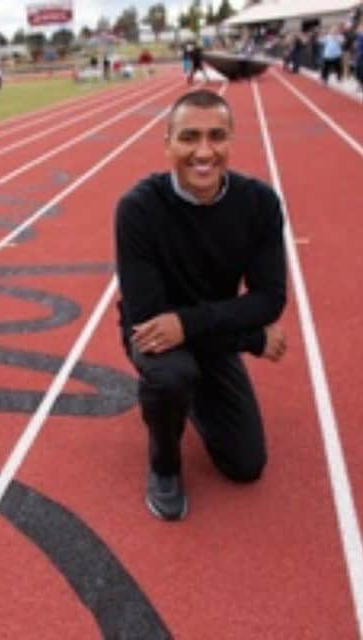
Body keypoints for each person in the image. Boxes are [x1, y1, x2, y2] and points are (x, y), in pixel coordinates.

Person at [114, 89, 287, 521]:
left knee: (246, 466)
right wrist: (250, 337)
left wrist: (194, 325)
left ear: (230, 141)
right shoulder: (138, 209)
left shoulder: (260, 203)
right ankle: (164, 462)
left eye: (216, 137)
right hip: (158, 336)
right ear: (167, 142)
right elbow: (151, 320)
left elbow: (270, 298)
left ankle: (189, 397)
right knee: (172, 373)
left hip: (206, 330)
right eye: (189, 137)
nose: (204, 152)